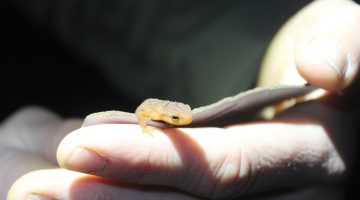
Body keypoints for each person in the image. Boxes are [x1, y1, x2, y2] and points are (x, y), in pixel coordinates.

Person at [2, 0, 360, 199]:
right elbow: (144, 112)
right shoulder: (154, 114)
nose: (180, 122)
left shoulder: (175, 112)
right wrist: (146, 127)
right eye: (175, 121)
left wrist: (265, 59)